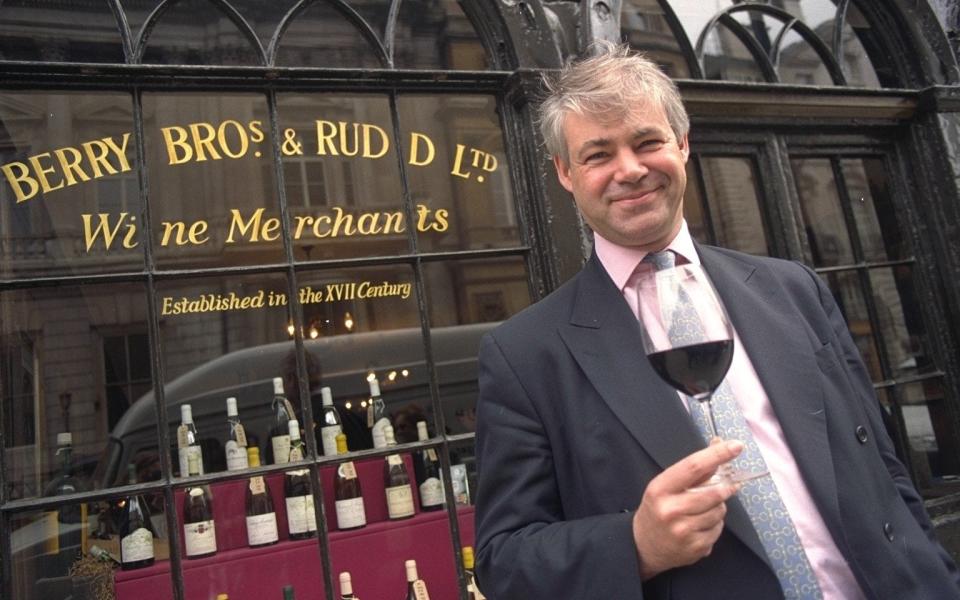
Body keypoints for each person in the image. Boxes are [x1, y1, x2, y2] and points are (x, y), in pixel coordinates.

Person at [473, 41, 960, 600]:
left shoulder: (792, 288)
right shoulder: (525, 354)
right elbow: (503, 561)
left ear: (682, 144)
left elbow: (882, 464)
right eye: (598, 154)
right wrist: (634, 546)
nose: (629, 170)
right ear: (565, 173)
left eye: (647, 142)